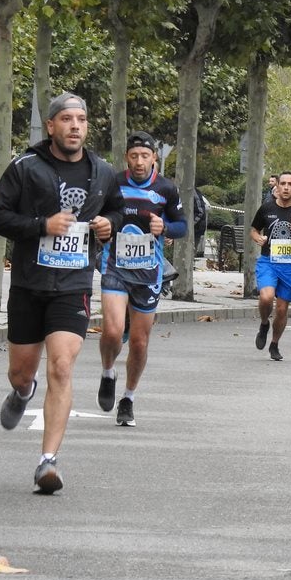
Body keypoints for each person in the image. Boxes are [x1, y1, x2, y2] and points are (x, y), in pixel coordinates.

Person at [0, 92, 124, 493]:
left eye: (81, 119)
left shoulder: (102, 171)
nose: (75, 126)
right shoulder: (26, 167)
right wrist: (40, 226)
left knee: (62, 365)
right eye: (66, 119)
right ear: (51, 126)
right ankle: (22, 390)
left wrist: (107, 225)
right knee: (22, 370)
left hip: (74, 286)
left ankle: (48, 462)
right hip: (29, 285)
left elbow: (116, 209)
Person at [96, 131, 187, 426]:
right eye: (134, 156)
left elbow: (182, 226)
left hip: (148, 273)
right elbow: (97, 215)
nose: (139, 161)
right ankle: (108, 372)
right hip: (115, 267)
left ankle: (128, 399)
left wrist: (166, 227)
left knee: (138, 342)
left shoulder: (166, 189)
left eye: (144, 156)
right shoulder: (114, 184)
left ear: (154, 158)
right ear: (126, 158)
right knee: (111, 332)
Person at [251, 172, 291, 361]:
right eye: (283, 183)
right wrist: (259, 238)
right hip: (269, 262)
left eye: (290, 184)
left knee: (282, 309)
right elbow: (254, 229)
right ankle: (264, 323)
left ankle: (274, 344)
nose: (286, 187)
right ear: (278, 187)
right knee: (266, 297)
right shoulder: (267, 208)